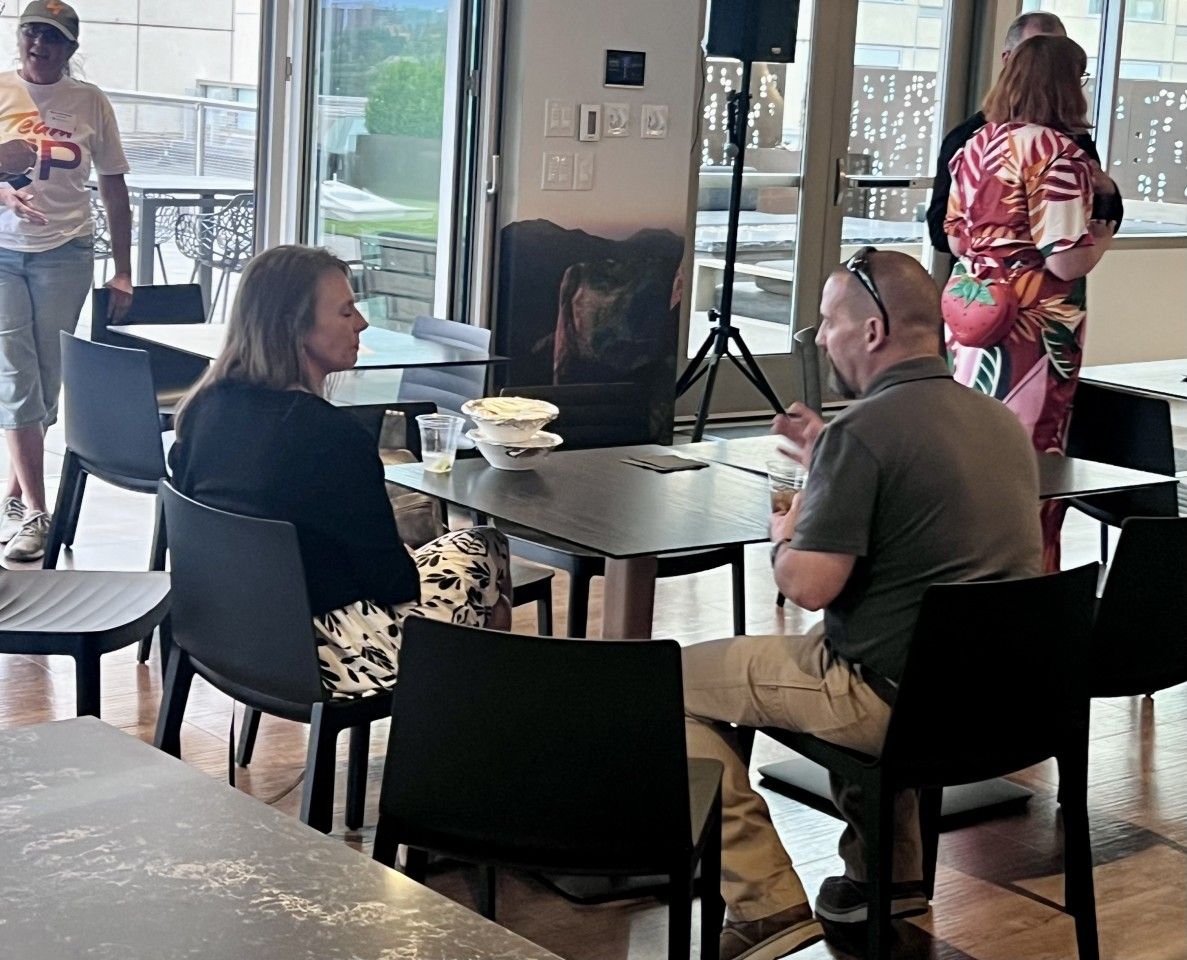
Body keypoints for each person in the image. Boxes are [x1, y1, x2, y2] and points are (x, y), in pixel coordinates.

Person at [685, 249, 1043, 960]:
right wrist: (830, 453)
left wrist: (782, 537)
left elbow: (809, 587)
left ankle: (764, 904)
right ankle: (892, 881)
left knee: (665, 682)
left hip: (893, 704)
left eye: (828, 322)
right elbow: (920, 499)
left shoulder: (867, 432)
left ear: (872, 331)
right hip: (1000, 703)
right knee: (891, 644)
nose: (820, 337)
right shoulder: (996, 420)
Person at [169, 245, 512, 699]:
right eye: (346, 312)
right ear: (296, 325)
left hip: (223, 631)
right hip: (328, 653)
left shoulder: (205, 409)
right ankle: (462, 738)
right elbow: (394, 583)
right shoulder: (332, 436)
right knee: (485, 548)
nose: (362, 325)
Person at [942, 34, 1112, 571]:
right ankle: (1031, 582)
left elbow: (954, 237)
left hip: (973, 323)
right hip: (1031, 338)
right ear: (1067, 86)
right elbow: (1064, 261)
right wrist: (1101, 237)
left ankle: (968, 571)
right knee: (1031, 461)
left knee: (974, 452)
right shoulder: (1057, 155)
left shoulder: (977, 146)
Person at [0, 1, 133, 563]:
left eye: (53, 38)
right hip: (2, 251)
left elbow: (114, 187)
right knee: (14, 372)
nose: (40, 45)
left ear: (70, 50)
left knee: (46, 378)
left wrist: (124, 270)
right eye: (32, 32)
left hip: (67, 252)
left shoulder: (90, 103)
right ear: (19, 36)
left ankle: (11, 489)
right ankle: (36, 510)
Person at [926, 10, 1123, 255]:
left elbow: (1100, 220)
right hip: (1031, 284)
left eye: (1058, 61)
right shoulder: (968, 138)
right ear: (1009, 60)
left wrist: (1108, 192)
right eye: (1037, 58)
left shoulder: (1074, 138)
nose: (1050, 70)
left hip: (984, 286)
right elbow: (940, 231)